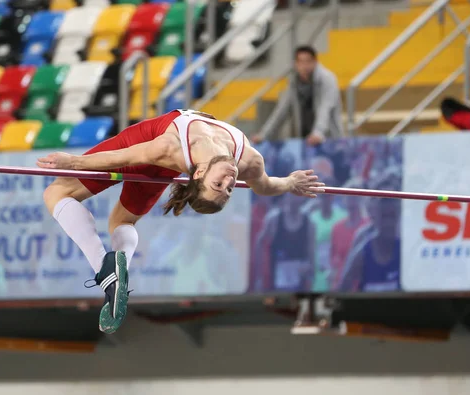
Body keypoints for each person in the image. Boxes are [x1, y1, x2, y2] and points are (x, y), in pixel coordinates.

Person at [37, 109, 325, 334]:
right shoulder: (248, 159)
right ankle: (113, 270)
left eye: (220, 186)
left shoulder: (171, 148)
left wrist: (73, 162)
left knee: (57, 192)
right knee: (122, 223)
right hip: (152, 158)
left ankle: (105, 270)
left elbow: (124, 156)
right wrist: (288, 181)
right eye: (227, 189)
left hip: (145, 145)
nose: (229, 182)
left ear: (199, 175)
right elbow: (263, 185)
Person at [252, 45, 345, 145]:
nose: (304, 66)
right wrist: (264, 135)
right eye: (301, 62)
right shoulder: (293, 83)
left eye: (308, 61)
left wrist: (318, 133)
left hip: (329, 140)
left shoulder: (327, 79)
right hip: (305, 141)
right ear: (296, 64)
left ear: (315, 62)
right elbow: (281, 112)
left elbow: (326, 108)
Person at [339, 170, 401, 292]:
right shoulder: (363, 243)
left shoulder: (407, 245)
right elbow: (344, 285)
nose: (388, 223)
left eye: (392, 199)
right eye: (384, 215)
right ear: (374, 210)